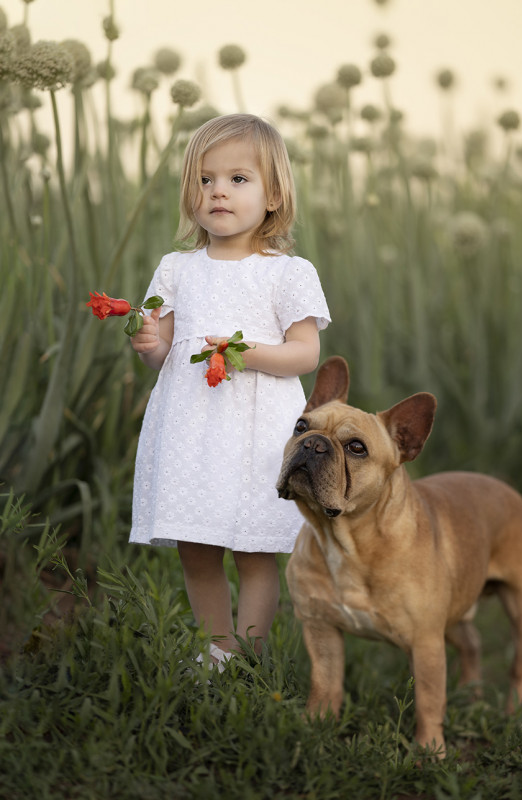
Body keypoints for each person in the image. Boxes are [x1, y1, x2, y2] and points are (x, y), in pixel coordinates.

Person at [129, 113, 330, 668]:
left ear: (272, 195)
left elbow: (304, 354)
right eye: (205, 179)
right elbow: (161, 353)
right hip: (191, 427)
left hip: (258, 430)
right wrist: (147, 340)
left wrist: (245, 354)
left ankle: (248, 653)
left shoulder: (286, 272)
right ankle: (214, 654)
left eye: (238, 179)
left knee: (255, 548)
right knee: (197, 546)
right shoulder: (176, 269)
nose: (218, 190)